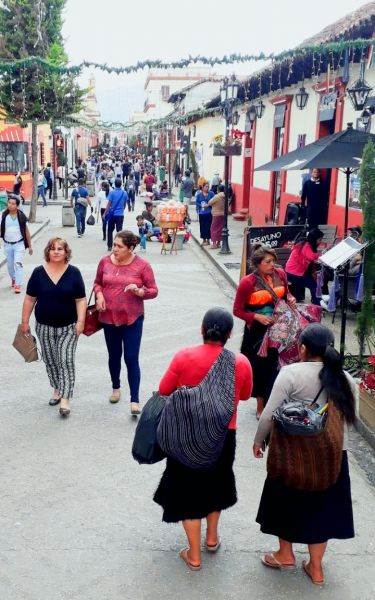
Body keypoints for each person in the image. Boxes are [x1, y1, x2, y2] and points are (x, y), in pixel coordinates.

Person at [253, 323, 356, 586]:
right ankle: (316, 568)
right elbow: (345, 425)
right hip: (332, 457)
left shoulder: (291, 374)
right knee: (322, 510)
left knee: (285, 501)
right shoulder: (346, 379)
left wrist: (258, 441)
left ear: (302, 349)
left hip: (292, 454)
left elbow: (269, 413)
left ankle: (285, 554)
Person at [153, 307, 252, 571]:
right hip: (223, 435)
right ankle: (212, 538)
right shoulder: (240, 362)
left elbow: (164, 390)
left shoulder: (184, 356)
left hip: (185, 435)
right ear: (230, 334)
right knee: (216, 484)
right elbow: (244, 396)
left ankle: (194, 555)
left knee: (187, 494)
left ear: (201, 329)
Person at [93, 230, 158, 414]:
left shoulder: (143, 266)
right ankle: (115, 387)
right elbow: (97, 282)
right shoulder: (105, 261)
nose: (114, 249)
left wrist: (140, 291)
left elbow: (153, 290)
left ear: (130, 248)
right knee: (114, 356)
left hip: (132, 318)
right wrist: (99, 295)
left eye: (119, 246)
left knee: (131, 358)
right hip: (108, 317)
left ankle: (134, 400)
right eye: (114, 245)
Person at [21, 238, 86, 417]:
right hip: (44, 327)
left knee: (65, 360)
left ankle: (65, 398)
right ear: (47, 252)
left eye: (60, 249)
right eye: (52, 249)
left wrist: (81, 322)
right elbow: (29, 299)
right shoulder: (38, 273)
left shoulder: (74, 273)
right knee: (50, 360)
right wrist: (24, 322)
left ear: (66, 252)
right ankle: (56, 388)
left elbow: (80, 300)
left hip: (69, 327)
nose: (56, 252)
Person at [233, 243, 296, 419]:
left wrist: (290, 299)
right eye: (267, 262)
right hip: (258, 334)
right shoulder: (248, 283)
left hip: (279, 328)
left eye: (273, 261)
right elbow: (237, 310)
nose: (272, 265)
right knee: (260, 369)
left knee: (277, 365)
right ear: (258, 263)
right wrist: (256, 317)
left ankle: (275, 400)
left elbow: (286, 295)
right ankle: (261, 404)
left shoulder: (280, 274)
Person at [0, 196, 33, 293]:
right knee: (10, 266)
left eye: (13, 204)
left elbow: (27, 232)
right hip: (7, 245)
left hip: (19, 244)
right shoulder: (3, 215)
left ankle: (18, 284)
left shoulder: (22, 217)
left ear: (17, 206)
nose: (10, 205)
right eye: (9, 203)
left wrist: (30, 247)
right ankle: (13, 278)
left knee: (18, 264)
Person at [285, 228, 323, 306]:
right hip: (293, 273)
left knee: (313, 280)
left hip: (294, 271)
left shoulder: (305, 244)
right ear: (314, 239)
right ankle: (317, 305)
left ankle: (318, 301)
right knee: (313, 285)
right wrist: (321, 253)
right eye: (319, 239)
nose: (320, 241)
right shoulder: (306, 245)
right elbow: (311, 257)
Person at [103, 178, 128, 251]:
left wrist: (105, 213)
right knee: (119, 232)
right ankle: (120, 246)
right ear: (121, 184)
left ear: (114, 184)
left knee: (110, 230)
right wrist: (121, 210)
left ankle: (110, 246)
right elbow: (124, 204)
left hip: (112, 214)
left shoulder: (112, 192)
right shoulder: (124, 193)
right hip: (120, 215)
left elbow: (108, 204)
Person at [207, 184, 225, 249]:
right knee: (220, 228)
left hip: (216, 214)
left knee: (213, 228)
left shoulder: (217, 196)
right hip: (223, 214)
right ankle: (218, 243)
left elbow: (210, 202)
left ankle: (214, 243)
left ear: (218, 190)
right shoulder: (225, 196)